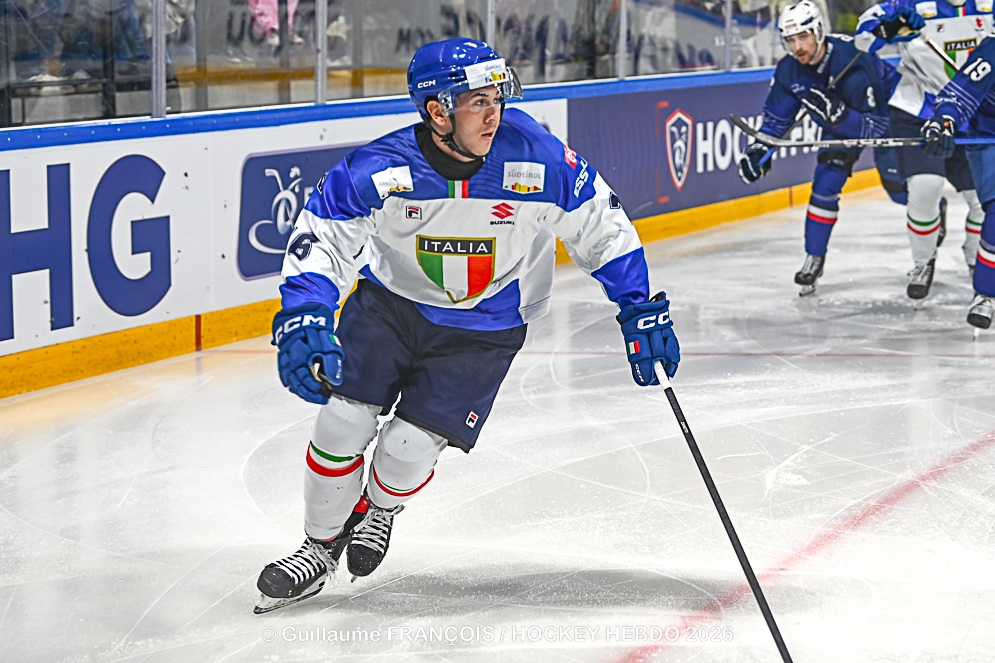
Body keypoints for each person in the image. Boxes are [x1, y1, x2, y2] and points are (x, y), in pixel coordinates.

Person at [252, 38, 681, 614]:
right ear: (437, 110)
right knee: (339, 425)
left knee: (406, 450)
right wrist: (305, 311)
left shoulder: (540, 159)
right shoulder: (381, 167)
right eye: (478, 102)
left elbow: (602, 226)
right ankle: (318, 547)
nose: (494, 113)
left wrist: (640, 306)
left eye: (497, 98)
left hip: (485, 326)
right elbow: (324, 236)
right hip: (389, 309)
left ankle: (376, 510)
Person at [738, 0, 899, 296]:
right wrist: (759, 150)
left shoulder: (854, 58)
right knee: (825, 183)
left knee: (898, 189)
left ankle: (931, 210)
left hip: (891, 119)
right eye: (790, 40)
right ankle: (814, 258)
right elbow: (776, 122)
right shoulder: (790, 69)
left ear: (820, 31)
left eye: (803, 37)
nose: (797, 47)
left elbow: (876, 128)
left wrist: (839, 116)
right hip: (839, 127)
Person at [856, 0, 990, 299]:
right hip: (919, 112)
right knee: (925, 188)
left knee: (984, 200)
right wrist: (890, 27)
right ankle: (922, 262)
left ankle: (977, 258)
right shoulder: (908, 3)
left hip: (974, 113)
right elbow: (862, 40)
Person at [920, 36, 995, 328]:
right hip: (989, 138)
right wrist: (944, 121)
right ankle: (986, 294)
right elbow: (957, 95)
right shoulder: (992, 51)